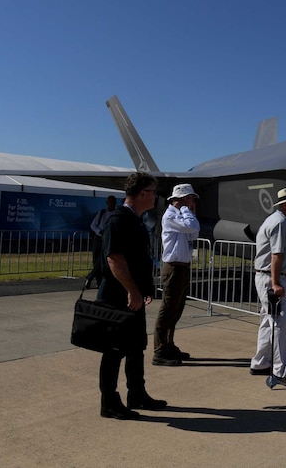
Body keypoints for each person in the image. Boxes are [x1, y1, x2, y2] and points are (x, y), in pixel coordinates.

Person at [97, 172, 166, 420]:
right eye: (154, 191)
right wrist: (133, 291)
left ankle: (137, 394)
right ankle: (109, 402)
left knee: (136, 347)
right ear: (141, 193)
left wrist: (143, 291)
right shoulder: (118, 220)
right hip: (118, 297)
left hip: (133, 298)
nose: (156, 196)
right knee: (114, 350)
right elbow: (114, 258)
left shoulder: (135, 219)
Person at [250, 187, 286, 387]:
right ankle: (281, 370)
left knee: (268, 320)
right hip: (272, 278)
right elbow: (277, 255)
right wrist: (275, 283)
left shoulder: (278, 220)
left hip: (268, 277)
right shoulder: (281, 223)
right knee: (280, 324)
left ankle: (260, 362)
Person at [153, 184, 200, 366]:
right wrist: (187, 210)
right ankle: (159, 351)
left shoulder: (180, 215)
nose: (192, 202)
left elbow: (194, 232)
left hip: (182, 267)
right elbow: (192, 225)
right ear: (179, 200)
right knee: (167, 310)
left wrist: (187, 211)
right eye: (189, 199)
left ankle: (168, 344)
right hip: (173, 268)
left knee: (176, 310)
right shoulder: (171, 215)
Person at [85, 195, 117, 289]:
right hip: (98, 238)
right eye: (109, 202)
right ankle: (98, 281)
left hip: (107, 239)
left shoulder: (115, 214)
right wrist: (99, 231)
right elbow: (93, 225)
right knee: (96, 261)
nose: (111, 204)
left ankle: (90, 277)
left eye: (113, 202)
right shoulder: (102, 213)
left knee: (101, 261)